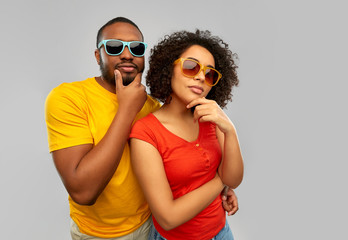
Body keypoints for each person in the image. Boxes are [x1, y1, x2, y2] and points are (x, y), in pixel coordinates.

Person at [45, 17, 239, 240]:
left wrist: (220, 191)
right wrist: (126, 110)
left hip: (152, 226)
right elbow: (83, 192)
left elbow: (178, 167)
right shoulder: (69, 98)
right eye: (115, 46)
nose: (127, 54)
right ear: (98, 55)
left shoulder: (153, 108)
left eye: (136, 48)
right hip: (101, 235)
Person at [130, 29, 244, 240]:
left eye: (209, 74)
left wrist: (230, 129)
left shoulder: (212, 118)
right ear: (168, 69)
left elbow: (234, 179)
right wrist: (221, 181)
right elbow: (168, 217)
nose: (201, 76)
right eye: (191, 67)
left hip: (222, 232)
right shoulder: (145, 132)